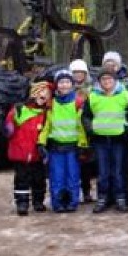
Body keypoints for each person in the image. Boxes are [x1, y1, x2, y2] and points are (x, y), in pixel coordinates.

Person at [83, 68, 128, 213]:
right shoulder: (93, 96)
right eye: (103, 79)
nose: (107, 82)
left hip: (119, 139)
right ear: (99, 82)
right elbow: (86, 116)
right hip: (100, 139)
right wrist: (90, 130)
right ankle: (102, 198)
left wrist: (127, 132)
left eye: (109, 79)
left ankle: (120, 198)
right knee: (103, 171)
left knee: (118, 170)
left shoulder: (125, 95)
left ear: (115, 80)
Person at [38, 70, 86, 213]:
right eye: (61, 82)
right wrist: (41, 142)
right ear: (57, 85)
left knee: (73, 176)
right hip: (56, 148)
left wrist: (83, 145)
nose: (64, 85)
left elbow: (81, 126)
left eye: (67, 82)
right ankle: (58, 203)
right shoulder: (51, 104)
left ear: (72, 84)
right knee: (56, 177)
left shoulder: (78, 102)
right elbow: (47, 125)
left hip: (73, 148)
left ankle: (72, 202)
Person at [4, 81, 52, 215]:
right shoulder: (20, 109)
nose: (45, 97)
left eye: (48, 95)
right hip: (20, 152)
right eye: (43, 93)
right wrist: (8, 128)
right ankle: (22, 202)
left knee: (39, 179)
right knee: (21, 179)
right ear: (34, 93)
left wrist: (43, 146)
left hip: (37, 153)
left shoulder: (45, 114)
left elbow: (45, 131)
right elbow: (9, 121)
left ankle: (38, 201)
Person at [101, 50, 128, 205]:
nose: (110, 66)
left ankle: (126, 195)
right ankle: (108, 196)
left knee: (123, 165)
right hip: (104, 129)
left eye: (113, 63)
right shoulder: (100, 83)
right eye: (107, 63)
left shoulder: (127, 82)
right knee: (106, 166)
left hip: (123, 130)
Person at [70, 59, 97, 203]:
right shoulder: (66, 87)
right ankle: (75, 192)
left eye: (81, 72)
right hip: (71, 132)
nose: (78, 75)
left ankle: (87, 191)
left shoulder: (93, 89)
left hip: (87, 130)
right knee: (74, 165)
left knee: (87, 165)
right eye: (75, 72)